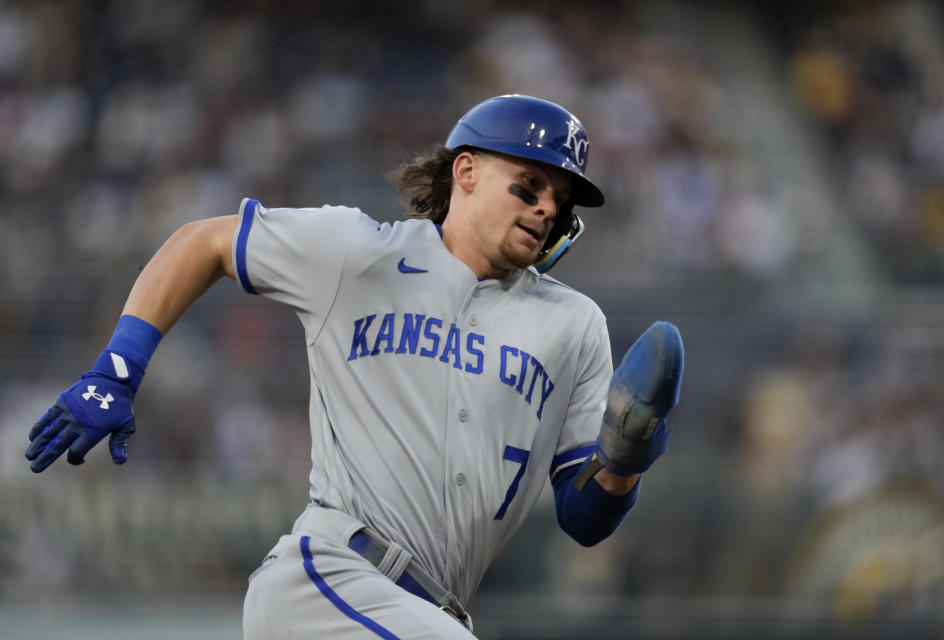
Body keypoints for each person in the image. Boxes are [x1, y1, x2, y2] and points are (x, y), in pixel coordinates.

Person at [25, 94, 684, 639]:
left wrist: (624, 460)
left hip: (430, 614)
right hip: (329, 581)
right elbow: (207, 242)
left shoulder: (572, 324)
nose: (546, 207)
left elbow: (583, 517)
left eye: (559, 198)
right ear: (467, 172)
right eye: (530, 183)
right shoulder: (359, 252)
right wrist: (119, 368)